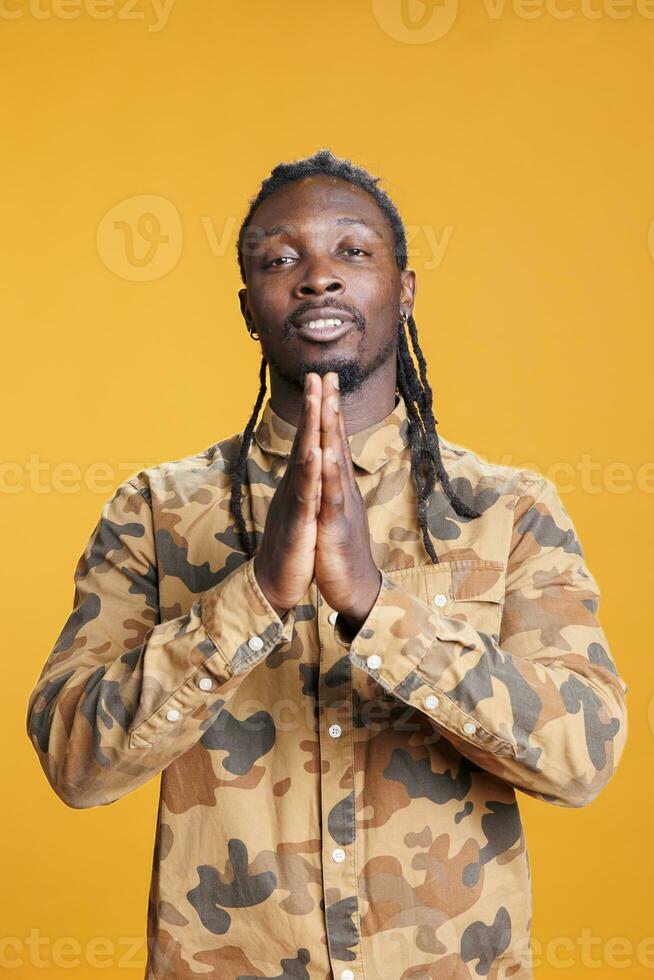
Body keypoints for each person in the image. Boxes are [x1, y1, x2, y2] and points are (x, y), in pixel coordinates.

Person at [26, 149, 629, 980]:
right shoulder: (155, 511)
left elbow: (583, 760)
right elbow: (74, 763)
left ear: (405, 290)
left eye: (352, 252)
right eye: (281, 259)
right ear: (249, 308)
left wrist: (379, 607)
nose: (317, 279)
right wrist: (255, 594)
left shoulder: (507, 510)